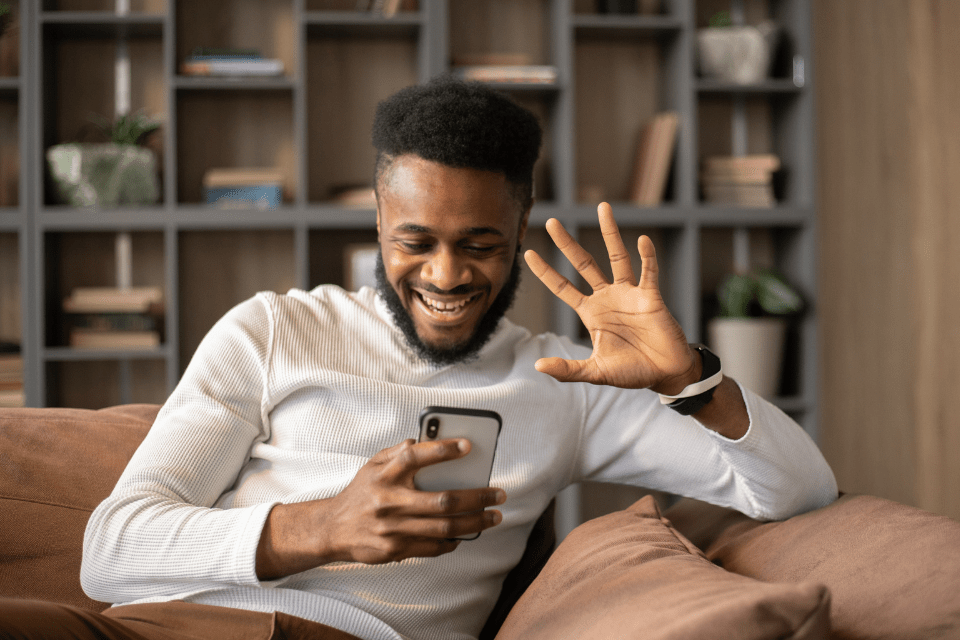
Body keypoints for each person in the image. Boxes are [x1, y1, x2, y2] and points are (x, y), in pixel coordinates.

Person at [0, 76, 837, 640]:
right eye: (416, 242)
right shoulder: (275, 329)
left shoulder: (566, 383)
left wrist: (690, 377)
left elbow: (801, 490)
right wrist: (317, 528)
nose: (445, 276)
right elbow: (110, 554)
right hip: (166, 627)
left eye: (479, 243)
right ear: (376, 221)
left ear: (521, 227)